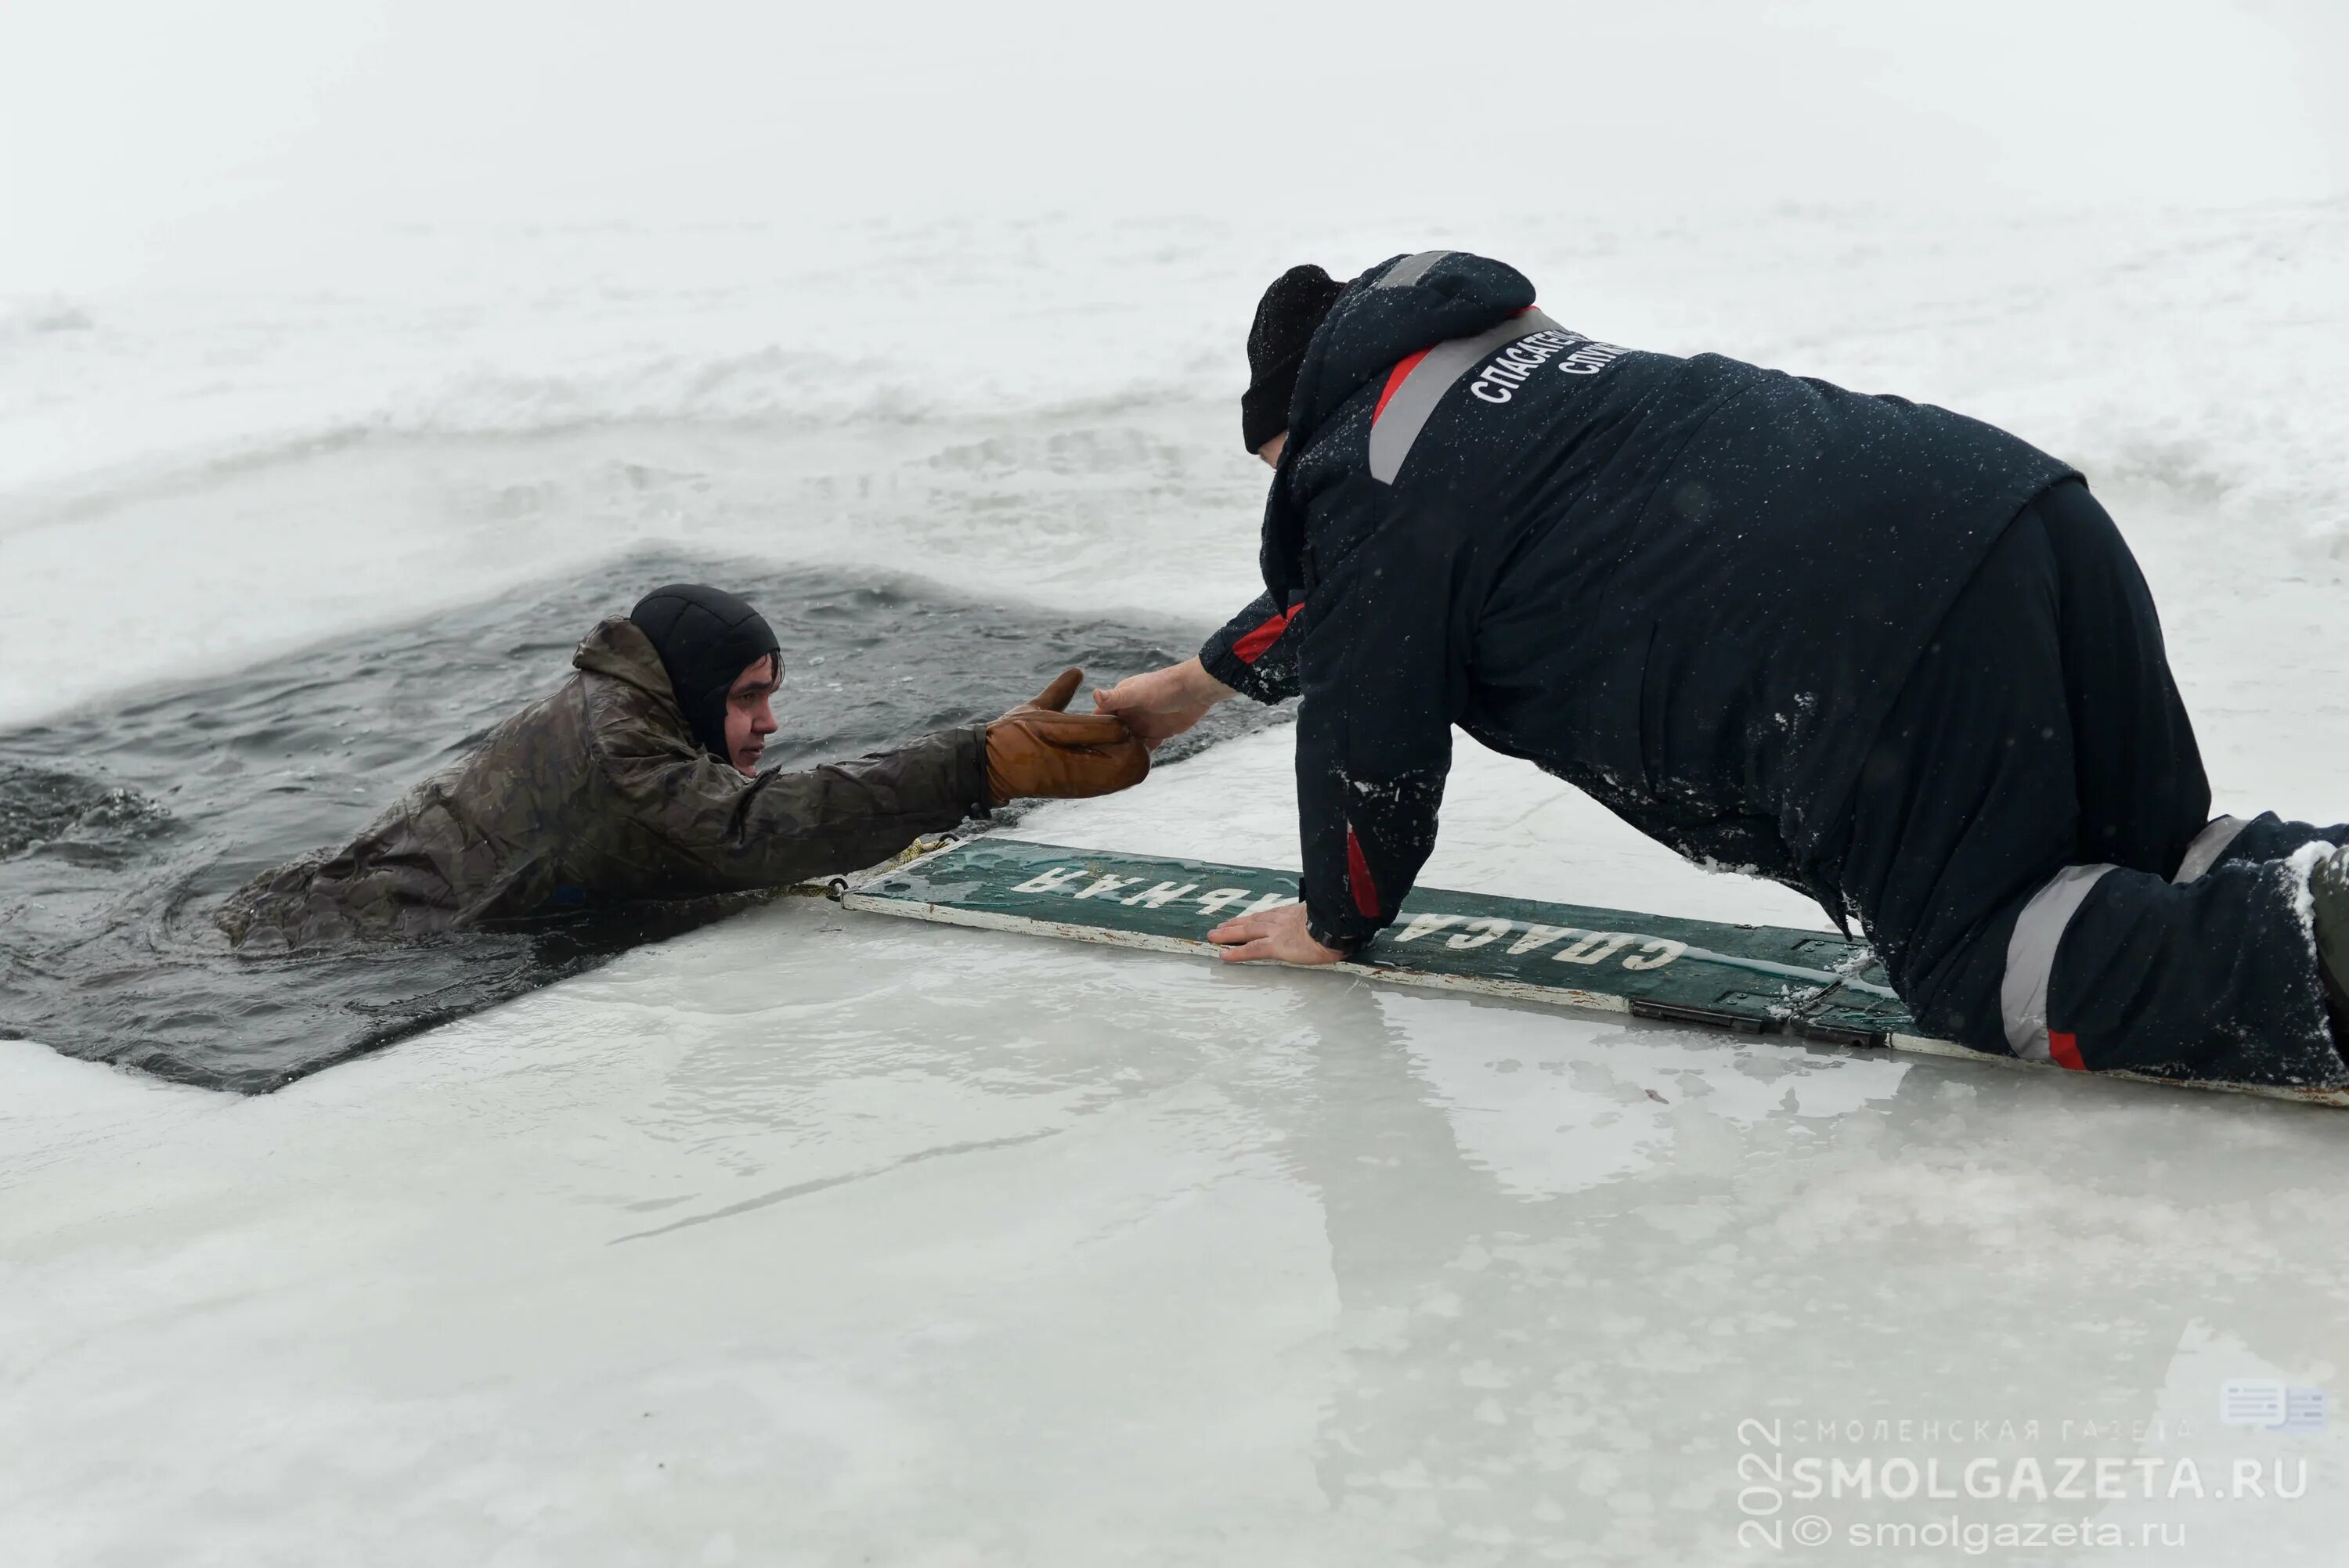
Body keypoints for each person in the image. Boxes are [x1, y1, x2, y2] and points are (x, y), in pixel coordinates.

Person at [1094, 251, 2349, 1088]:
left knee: (1987, 962)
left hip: (1888, 633)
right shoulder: (1492, 386)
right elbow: (1366, 596)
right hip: (2019, 506)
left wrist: (1336, 916)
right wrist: (1192, 686)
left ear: (1293, 425)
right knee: (2148, 859)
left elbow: (1374, 710)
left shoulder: (1367, 468)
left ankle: (2333, 938)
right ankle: (2318, 885)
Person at [220, 582, 1148, 948]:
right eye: (747, 698)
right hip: (314, 946)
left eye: (770, 694)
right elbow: (747, 832)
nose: (770, 721)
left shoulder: (627, 709)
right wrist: (972, 768)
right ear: (697, 690)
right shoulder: (621, 749)